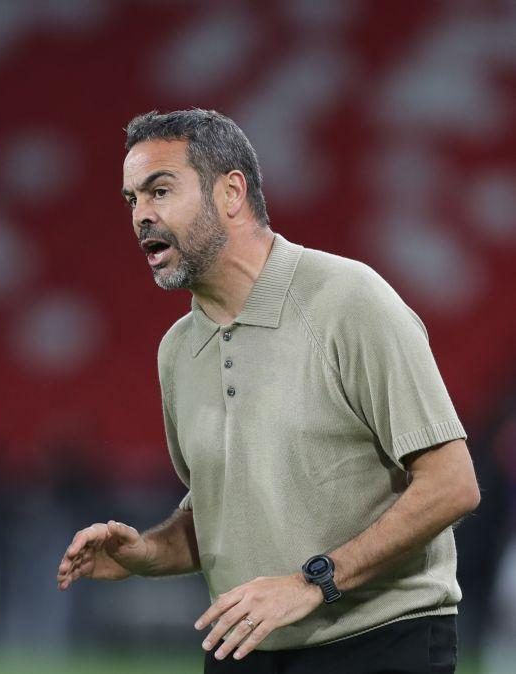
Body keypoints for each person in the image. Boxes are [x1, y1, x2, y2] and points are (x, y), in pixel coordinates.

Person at [56, 109, 480, 673]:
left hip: (380, 642)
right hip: (244, 648)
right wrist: (149, 552)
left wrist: (312, 583)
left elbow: (453, 485)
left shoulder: (349, 301)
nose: (142, 216)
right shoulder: (178, 349)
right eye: (132, 199)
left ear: (231, 192)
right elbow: (226, 512)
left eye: (160, 190)